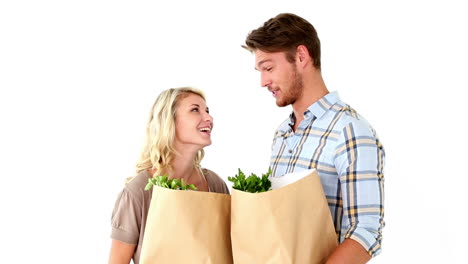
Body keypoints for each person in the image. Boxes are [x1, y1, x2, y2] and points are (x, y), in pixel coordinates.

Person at [243, 13, 385, 263]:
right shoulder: (282, 134)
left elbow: (366, 232)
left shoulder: (349, 130)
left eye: (268, 68)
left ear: (301, 56)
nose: (263, 81)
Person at [108, 87, 229, 264]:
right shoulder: (139, 192)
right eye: (195, 110)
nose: (209, 118)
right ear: (169, 122)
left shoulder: (215, 185)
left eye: (207, 111)